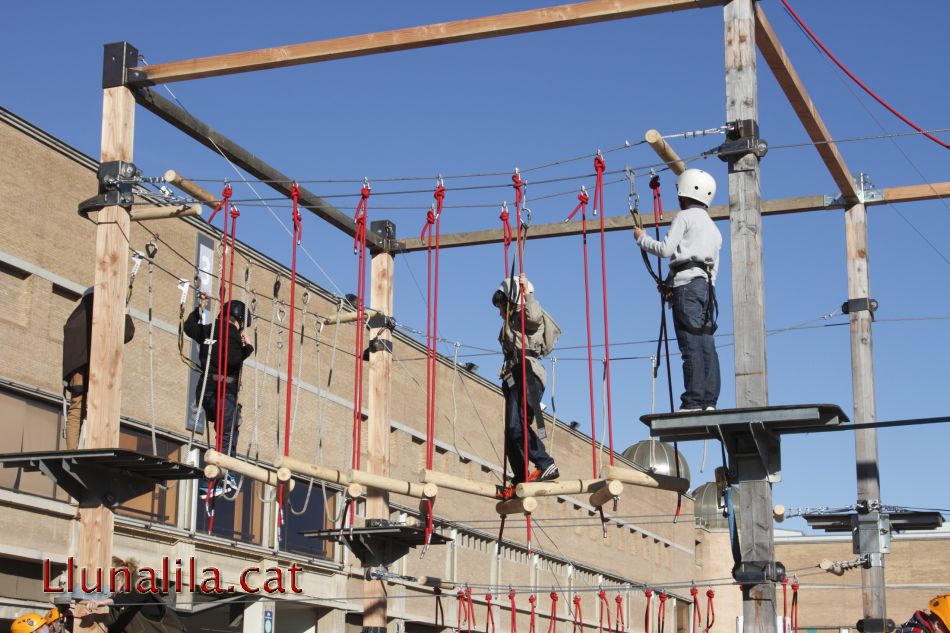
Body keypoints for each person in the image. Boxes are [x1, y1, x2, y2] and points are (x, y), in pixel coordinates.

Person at [633, 168, 722, 412]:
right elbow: (706, 268)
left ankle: (693, 400)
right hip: (706, 289)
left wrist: (641, 238)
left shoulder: (685, 217)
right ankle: (708, 401)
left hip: (687, 288)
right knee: (705, 342)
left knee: (689, 344)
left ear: (684, 193)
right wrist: (672, 284)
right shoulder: (714, 229)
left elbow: (665, 249)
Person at [493, 273, 559, 497]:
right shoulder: (511, 323)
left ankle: (545, 462)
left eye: (503, 305)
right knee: (512, 431)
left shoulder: (527, 315)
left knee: (516, 426)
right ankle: (520, 476)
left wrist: (526, 294)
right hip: (514, 375)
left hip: (527, 372)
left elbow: (532, 315)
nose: (500, 311)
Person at [183, 293, 254, 492]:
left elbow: (189, 328)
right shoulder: (232, 334)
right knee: (228, 431)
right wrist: (247, 348)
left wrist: (200, 309)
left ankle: (214, 479)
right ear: (238, 320)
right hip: (224, 392)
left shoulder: (209, 329)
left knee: (225, 427)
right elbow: (232, 359)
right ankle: (222, 475)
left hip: (206, 394)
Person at [62, 288, 135, 450]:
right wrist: (125, 314)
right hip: (97, 365)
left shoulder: (75, 319)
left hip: (77, 367)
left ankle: (71, 449)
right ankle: (95, 448)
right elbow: (126, 334)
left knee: (76, 407)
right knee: (99, 407)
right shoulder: (104, 314)